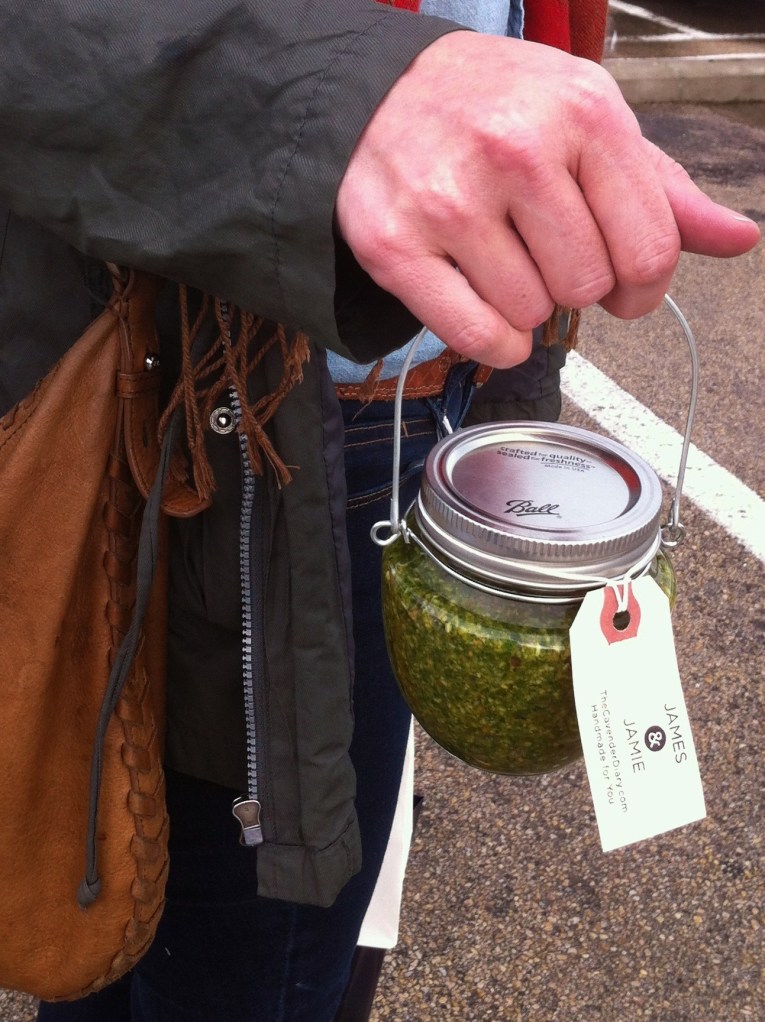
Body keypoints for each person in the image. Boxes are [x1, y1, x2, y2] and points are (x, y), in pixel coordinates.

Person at [0, 1, 758, 1020]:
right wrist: (341, 91)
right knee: (193, 923)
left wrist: (525, 354)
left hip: (420, 405)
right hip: (214, 386)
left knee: (232, 908)